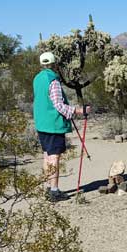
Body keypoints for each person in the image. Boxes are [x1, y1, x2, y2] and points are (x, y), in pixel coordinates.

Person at [33, 52, 89, 201]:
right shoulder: (53, 81)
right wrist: (78, 111)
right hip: (53, 124)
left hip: (41, 123)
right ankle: (54, 191)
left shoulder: (37, 78)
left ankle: (48, 187)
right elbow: (58, 105)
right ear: (54, 64)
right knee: (54, 157)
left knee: (46, 155)